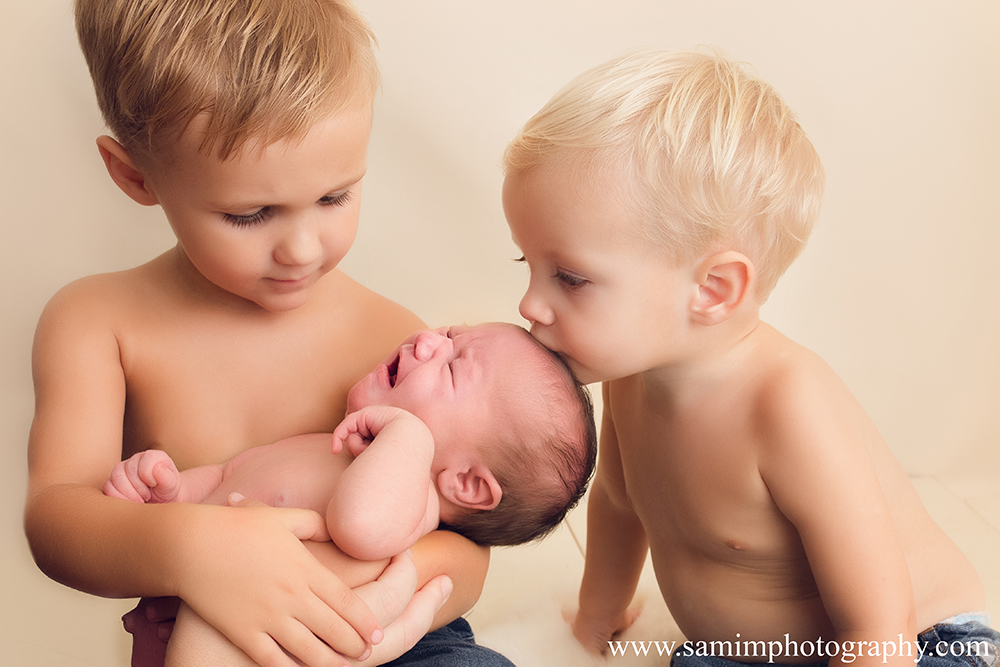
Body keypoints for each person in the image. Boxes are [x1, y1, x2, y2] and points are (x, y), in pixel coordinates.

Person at [25, 1, 508, 666]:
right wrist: (194, 551)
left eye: (335, 197)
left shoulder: (393, 340)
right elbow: (57, 521)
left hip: (388, 634)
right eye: (251, 214)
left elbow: (469, 542)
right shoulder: (99, 322)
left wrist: (378, 596)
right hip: (210, 640)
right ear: (136, 175)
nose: (303, 248)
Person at [501, 48, 999, 667]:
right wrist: (592, 623)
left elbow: (881, 622)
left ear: (712, 290)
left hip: (911, 643)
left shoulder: (788, 406)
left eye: (569, 278)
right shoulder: (628, 382)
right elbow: (618, 504)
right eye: (529, 266)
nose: (530, 305)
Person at [103, 323, 597, 563]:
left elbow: (358, 526)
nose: (426, 341)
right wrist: (169, 493)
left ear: (464, 483)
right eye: (449, 332)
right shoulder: (324, 446)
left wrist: (406, 433)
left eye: (451, 366)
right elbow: (226, 477)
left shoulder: (416, 498)